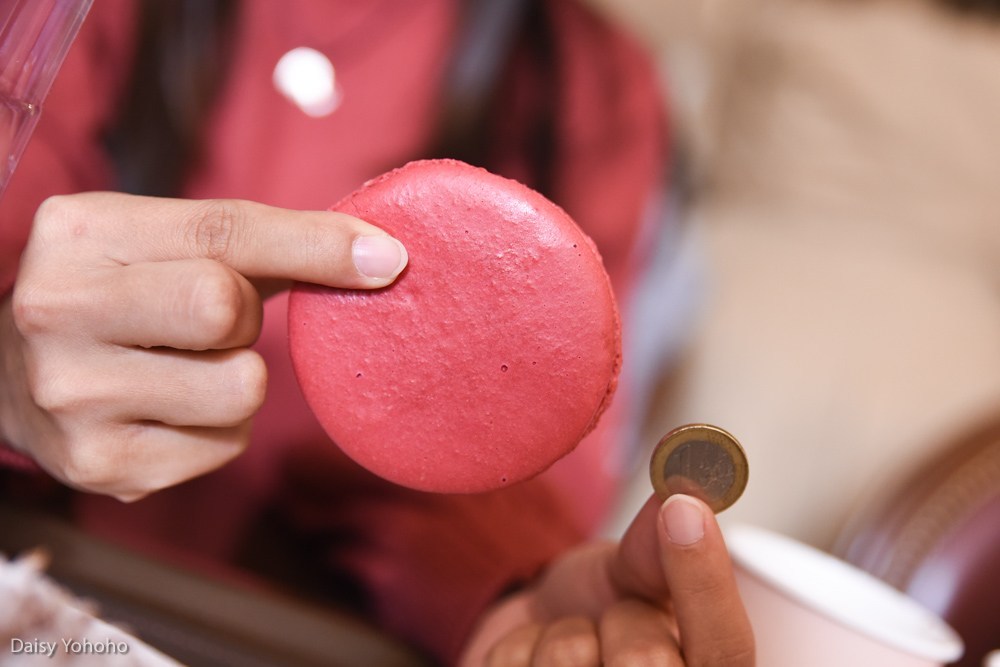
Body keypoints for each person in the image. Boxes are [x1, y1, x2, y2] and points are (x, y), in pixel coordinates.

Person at [0, 1, 752, 664]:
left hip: (316, 632)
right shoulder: (84, 20)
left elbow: (527, 446)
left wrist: (502, 593)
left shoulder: (587, 84)